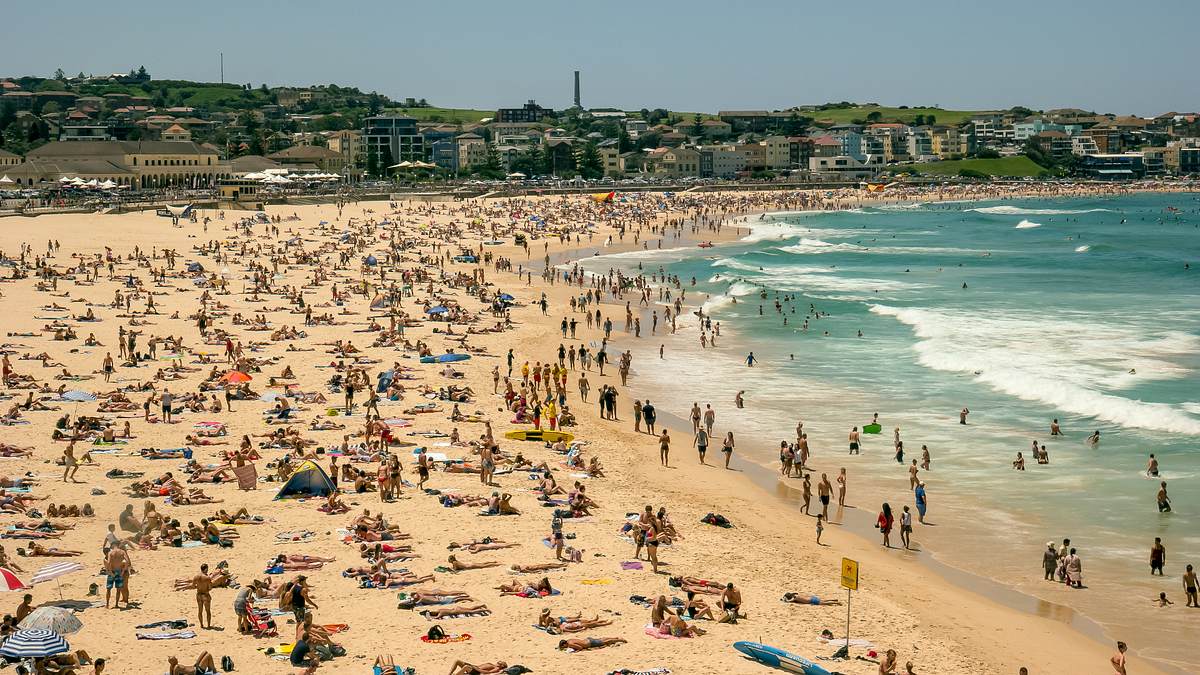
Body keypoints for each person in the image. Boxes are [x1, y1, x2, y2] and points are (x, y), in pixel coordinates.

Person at [193, 563, 214, 629]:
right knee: (208, 611)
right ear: (205, 569)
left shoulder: (196, 576)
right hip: (205, 595)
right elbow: (210, 588)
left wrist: (199, 587)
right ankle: (208, 625)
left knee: (200, 611)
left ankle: (201, 625)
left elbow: (193, 585)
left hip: (199, 595)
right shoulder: (207, 578)